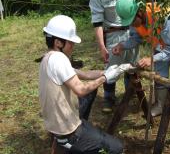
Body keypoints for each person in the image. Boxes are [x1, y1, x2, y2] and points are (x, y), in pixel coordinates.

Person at [39, 15, 123, 154]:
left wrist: (108, 71)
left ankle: (64, 141)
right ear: (58, 43)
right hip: (67, 131)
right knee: (116, 148)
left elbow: (85, 75)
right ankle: (67, 144)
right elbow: (81, 89)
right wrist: (106, 78)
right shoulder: (59, 59)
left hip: (56, 124)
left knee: (91, 92)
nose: (73, 46)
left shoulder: (48, 58)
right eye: (70, 42)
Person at [112, 0, 170, 117]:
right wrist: (122, 45)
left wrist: (152, 59)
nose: (131, 25)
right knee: (160, 74)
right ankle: (160, 105)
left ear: (140, 11)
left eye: (132, 21)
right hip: (160, 44)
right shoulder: (135, 20)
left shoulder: (162, 15)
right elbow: (136, 38)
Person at [89, 0, 138, 113]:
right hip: (112, 34)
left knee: (132, 66)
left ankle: (130, 95)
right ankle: (109, 98)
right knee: (112, 67)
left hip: (132, 31)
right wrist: (102, 47)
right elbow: (97, 23)